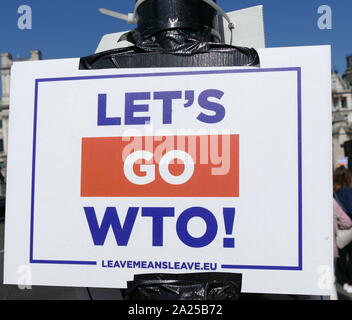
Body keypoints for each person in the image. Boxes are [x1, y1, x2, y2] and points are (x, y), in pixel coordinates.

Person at [333, 166, 352, 294]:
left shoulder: (333, 193)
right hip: (349, 228)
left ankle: (343, 281)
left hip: (338, 231)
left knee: (341, 257)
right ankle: (350, 282)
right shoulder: (348, 191)